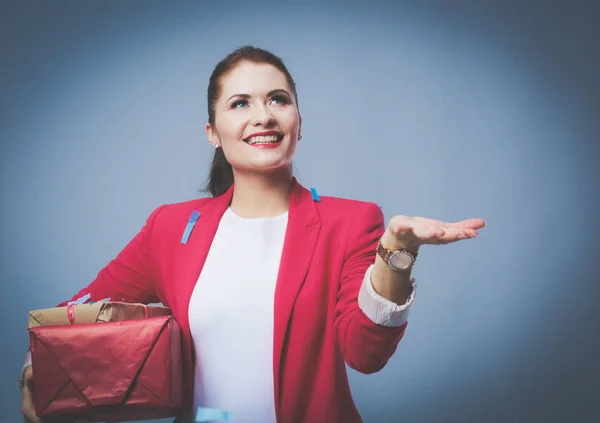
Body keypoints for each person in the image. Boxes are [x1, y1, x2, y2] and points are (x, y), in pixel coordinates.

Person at [19, 46, 485, 423]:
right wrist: (33, 371)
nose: (263, 115)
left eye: (277, 100)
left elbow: (364, 353)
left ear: (299, 123)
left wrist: (398, 252)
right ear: (212, 133)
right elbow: (76, 312)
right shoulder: (171, 227)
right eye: (240, 103)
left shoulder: (353, 220)